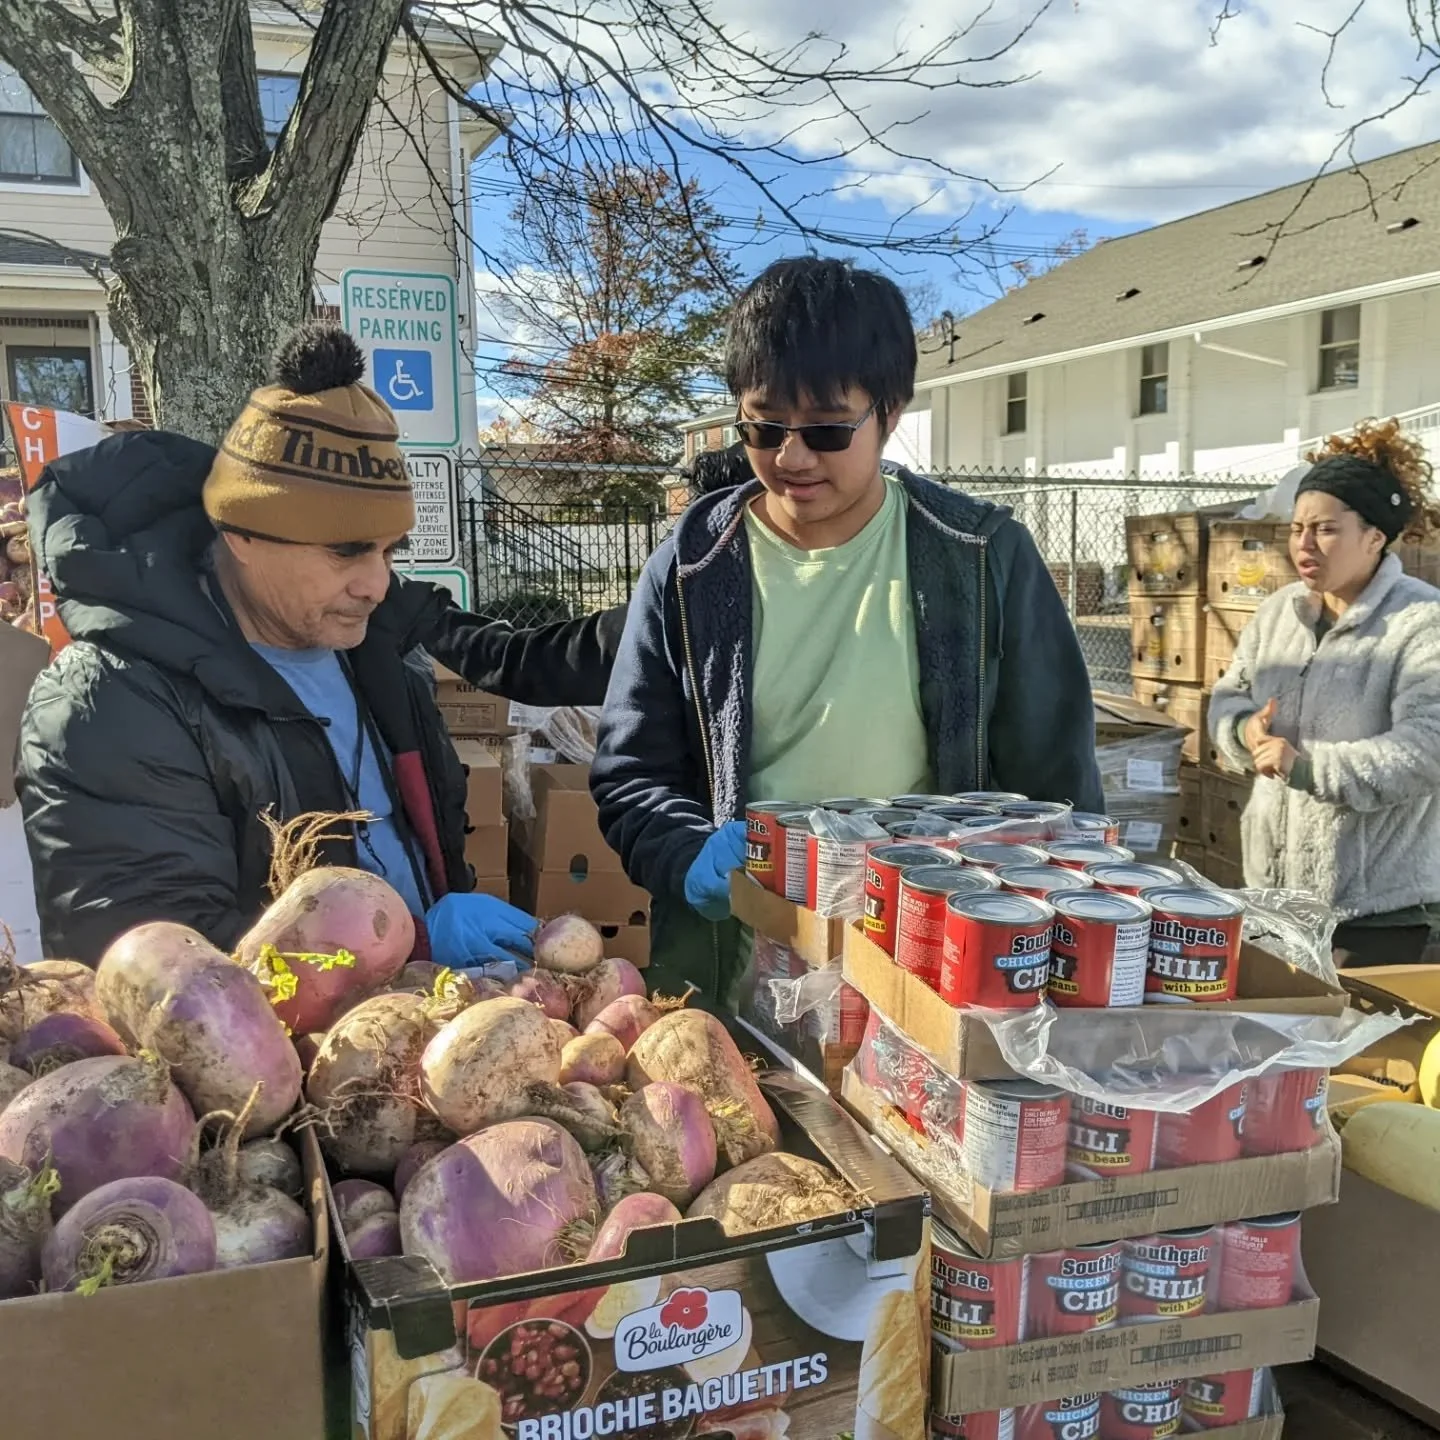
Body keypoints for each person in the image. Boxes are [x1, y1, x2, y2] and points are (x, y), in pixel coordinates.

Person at [17, 321, 623, 966]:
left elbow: (429, 823)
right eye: (346, 552)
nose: (375, 583)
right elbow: (161, 975)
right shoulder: (108, 701)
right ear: (243, 533)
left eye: (391, 550)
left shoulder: (368, 639)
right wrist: (414, 942)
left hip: (414, 1026)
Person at [591, 257, 1104, 1003]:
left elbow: (1059, 795)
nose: (791, 457)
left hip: (928, 970)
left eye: (827, 429)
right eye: (763, 426)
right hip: (728, 968)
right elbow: (631, 771)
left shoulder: (981, 558)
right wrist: (690, 852)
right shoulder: (691, 567)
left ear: (890, 414)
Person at [1209, 419, 1440, 968]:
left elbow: (1428, 747)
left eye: (1325, 529)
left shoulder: (1420, 622)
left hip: (1374, 911)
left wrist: (1308, 767)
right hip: (1274, 897)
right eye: (1295, 528)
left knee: (1360, 1053)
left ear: (1374, 538)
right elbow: (1228, 694)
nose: (1303, 545)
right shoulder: (1279, 614)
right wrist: (1243, 730)